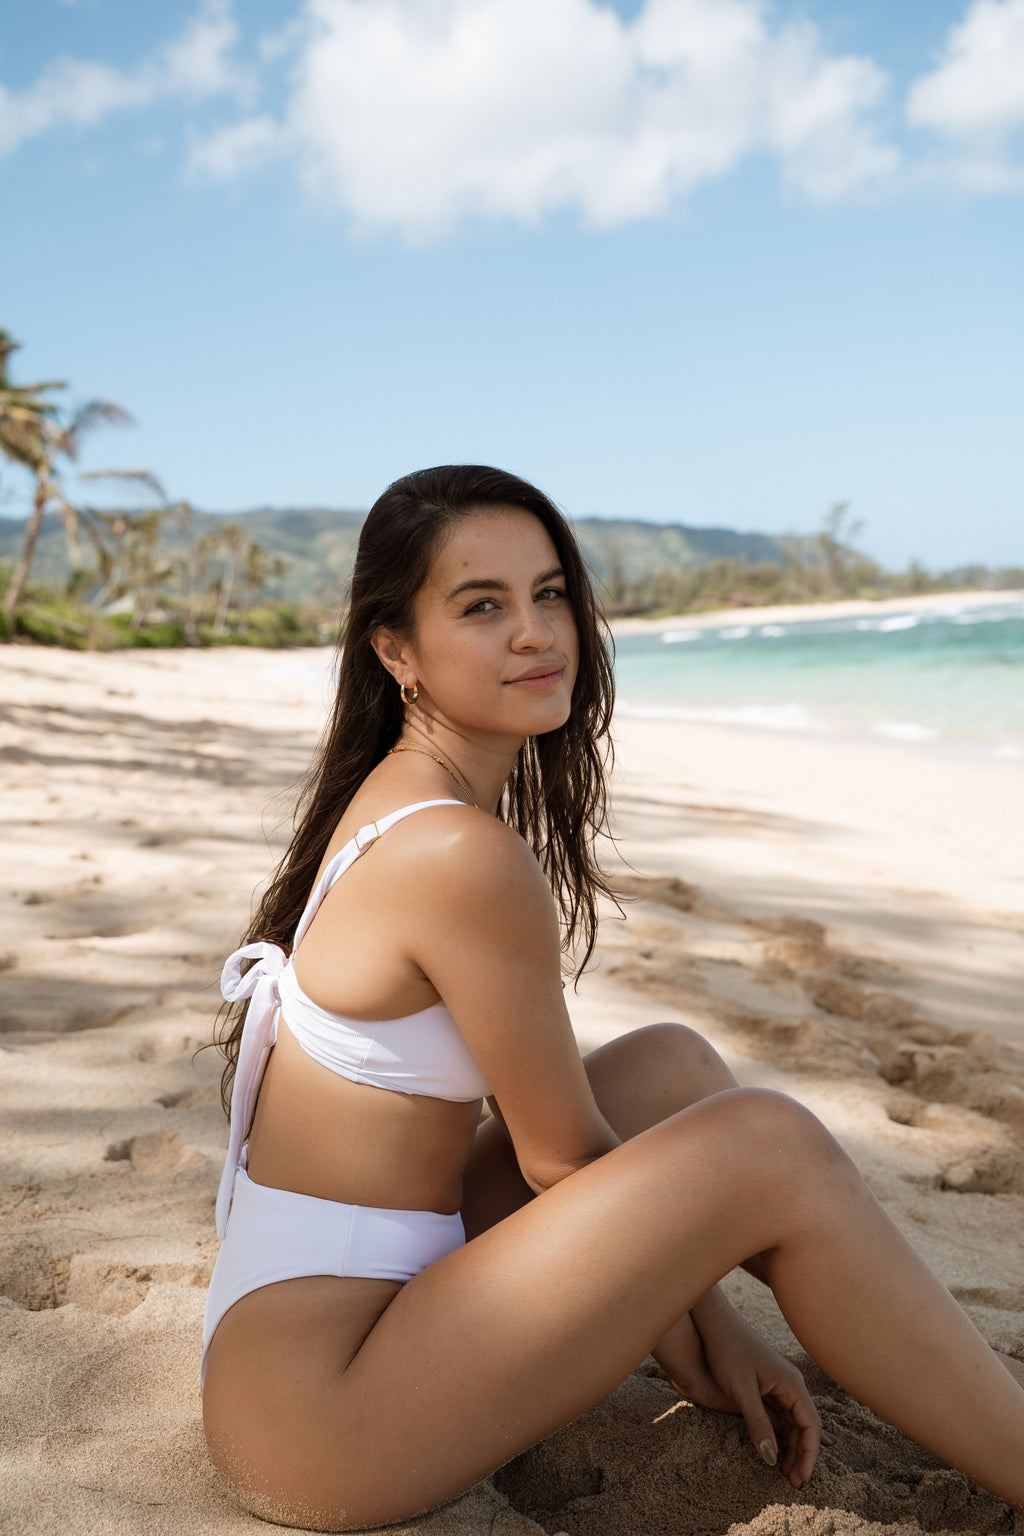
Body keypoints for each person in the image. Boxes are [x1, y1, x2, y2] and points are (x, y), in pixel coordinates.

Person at [202, 464, 1024, 1531]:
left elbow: (557, 1141)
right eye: (482, 606)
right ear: (393, 649)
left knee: (673, 1066)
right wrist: (712, 1322)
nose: (535, 632)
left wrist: (687, 1303)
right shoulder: (455, 854)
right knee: (771, 1145)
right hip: (319, 1420)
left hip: (340, 1296)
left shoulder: (403, 800)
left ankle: (933, 1364)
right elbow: (561, 1161)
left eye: (549, 594)